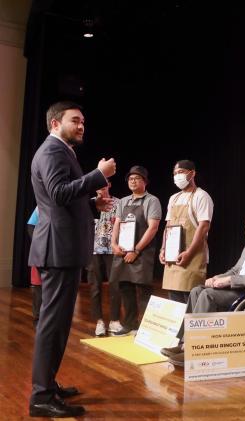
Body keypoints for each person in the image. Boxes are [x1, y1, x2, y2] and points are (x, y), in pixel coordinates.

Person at [28, 100, 116, 417]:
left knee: (58, 324)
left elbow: (64, 197)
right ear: (55, 123)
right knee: (52, 325)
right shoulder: (52, 151)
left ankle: (48, 385)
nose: (81, 126)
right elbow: (58, 193)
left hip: (63, 248)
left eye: (83, 122)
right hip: (58, 248)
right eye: (75, 120)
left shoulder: (61, 151)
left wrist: (93, 202)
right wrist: (98, 175)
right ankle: (41, 396)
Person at [160, 209, 245, 366]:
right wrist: (218, 278)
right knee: (197, 290)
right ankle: (183, 343)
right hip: (236, 288)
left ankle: (194, 348)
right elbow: (235, 270)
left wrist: (229, 280)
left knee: (208, 295)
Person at [110, 166, 162, 336]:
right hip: (122, 250)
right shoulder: (123, 201)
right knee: (125, 287)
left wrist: (137, 250)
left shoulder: (151, 200)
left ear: (145, 181)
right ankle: (129, 324)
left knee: (143, 290)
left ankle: (147, 328)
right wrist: (113, 244)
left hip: (142, 252)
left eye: (137, 178)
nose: (133, 181)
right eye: (130, 179)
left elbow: (153, 228)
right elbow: (117, 223)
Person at [160, 160, 213, 303]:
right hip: (173, 258)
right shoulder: (173, 198)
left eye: (181, 172)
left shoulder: (202, 196)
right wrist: (163, 249)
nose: (177, 176)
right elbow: (168, 226)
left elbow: (203, 227)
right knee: (174, 304)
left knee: (189, 301)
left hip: (193, 257)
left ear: (192, 173)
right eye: (175, 173)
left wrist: (189, 253)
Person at [88, 182, 123, 336]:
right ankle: (99, 321)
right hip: (93, 250)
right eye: (98, 183)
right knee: (95, 286)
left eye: (104, 183)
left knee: (115, 284)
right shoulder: (90, 203)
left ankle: (115, 320)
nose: (101, 186)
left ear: (109, 184)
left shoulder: (118, 203)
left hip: (113, 249)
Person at [27, 207, 42, 328]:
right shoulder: (40, 206)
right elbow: (31, 226)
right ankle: (37, 318)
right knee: (38, 286)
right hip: (40, 252)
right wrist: (39, 244)